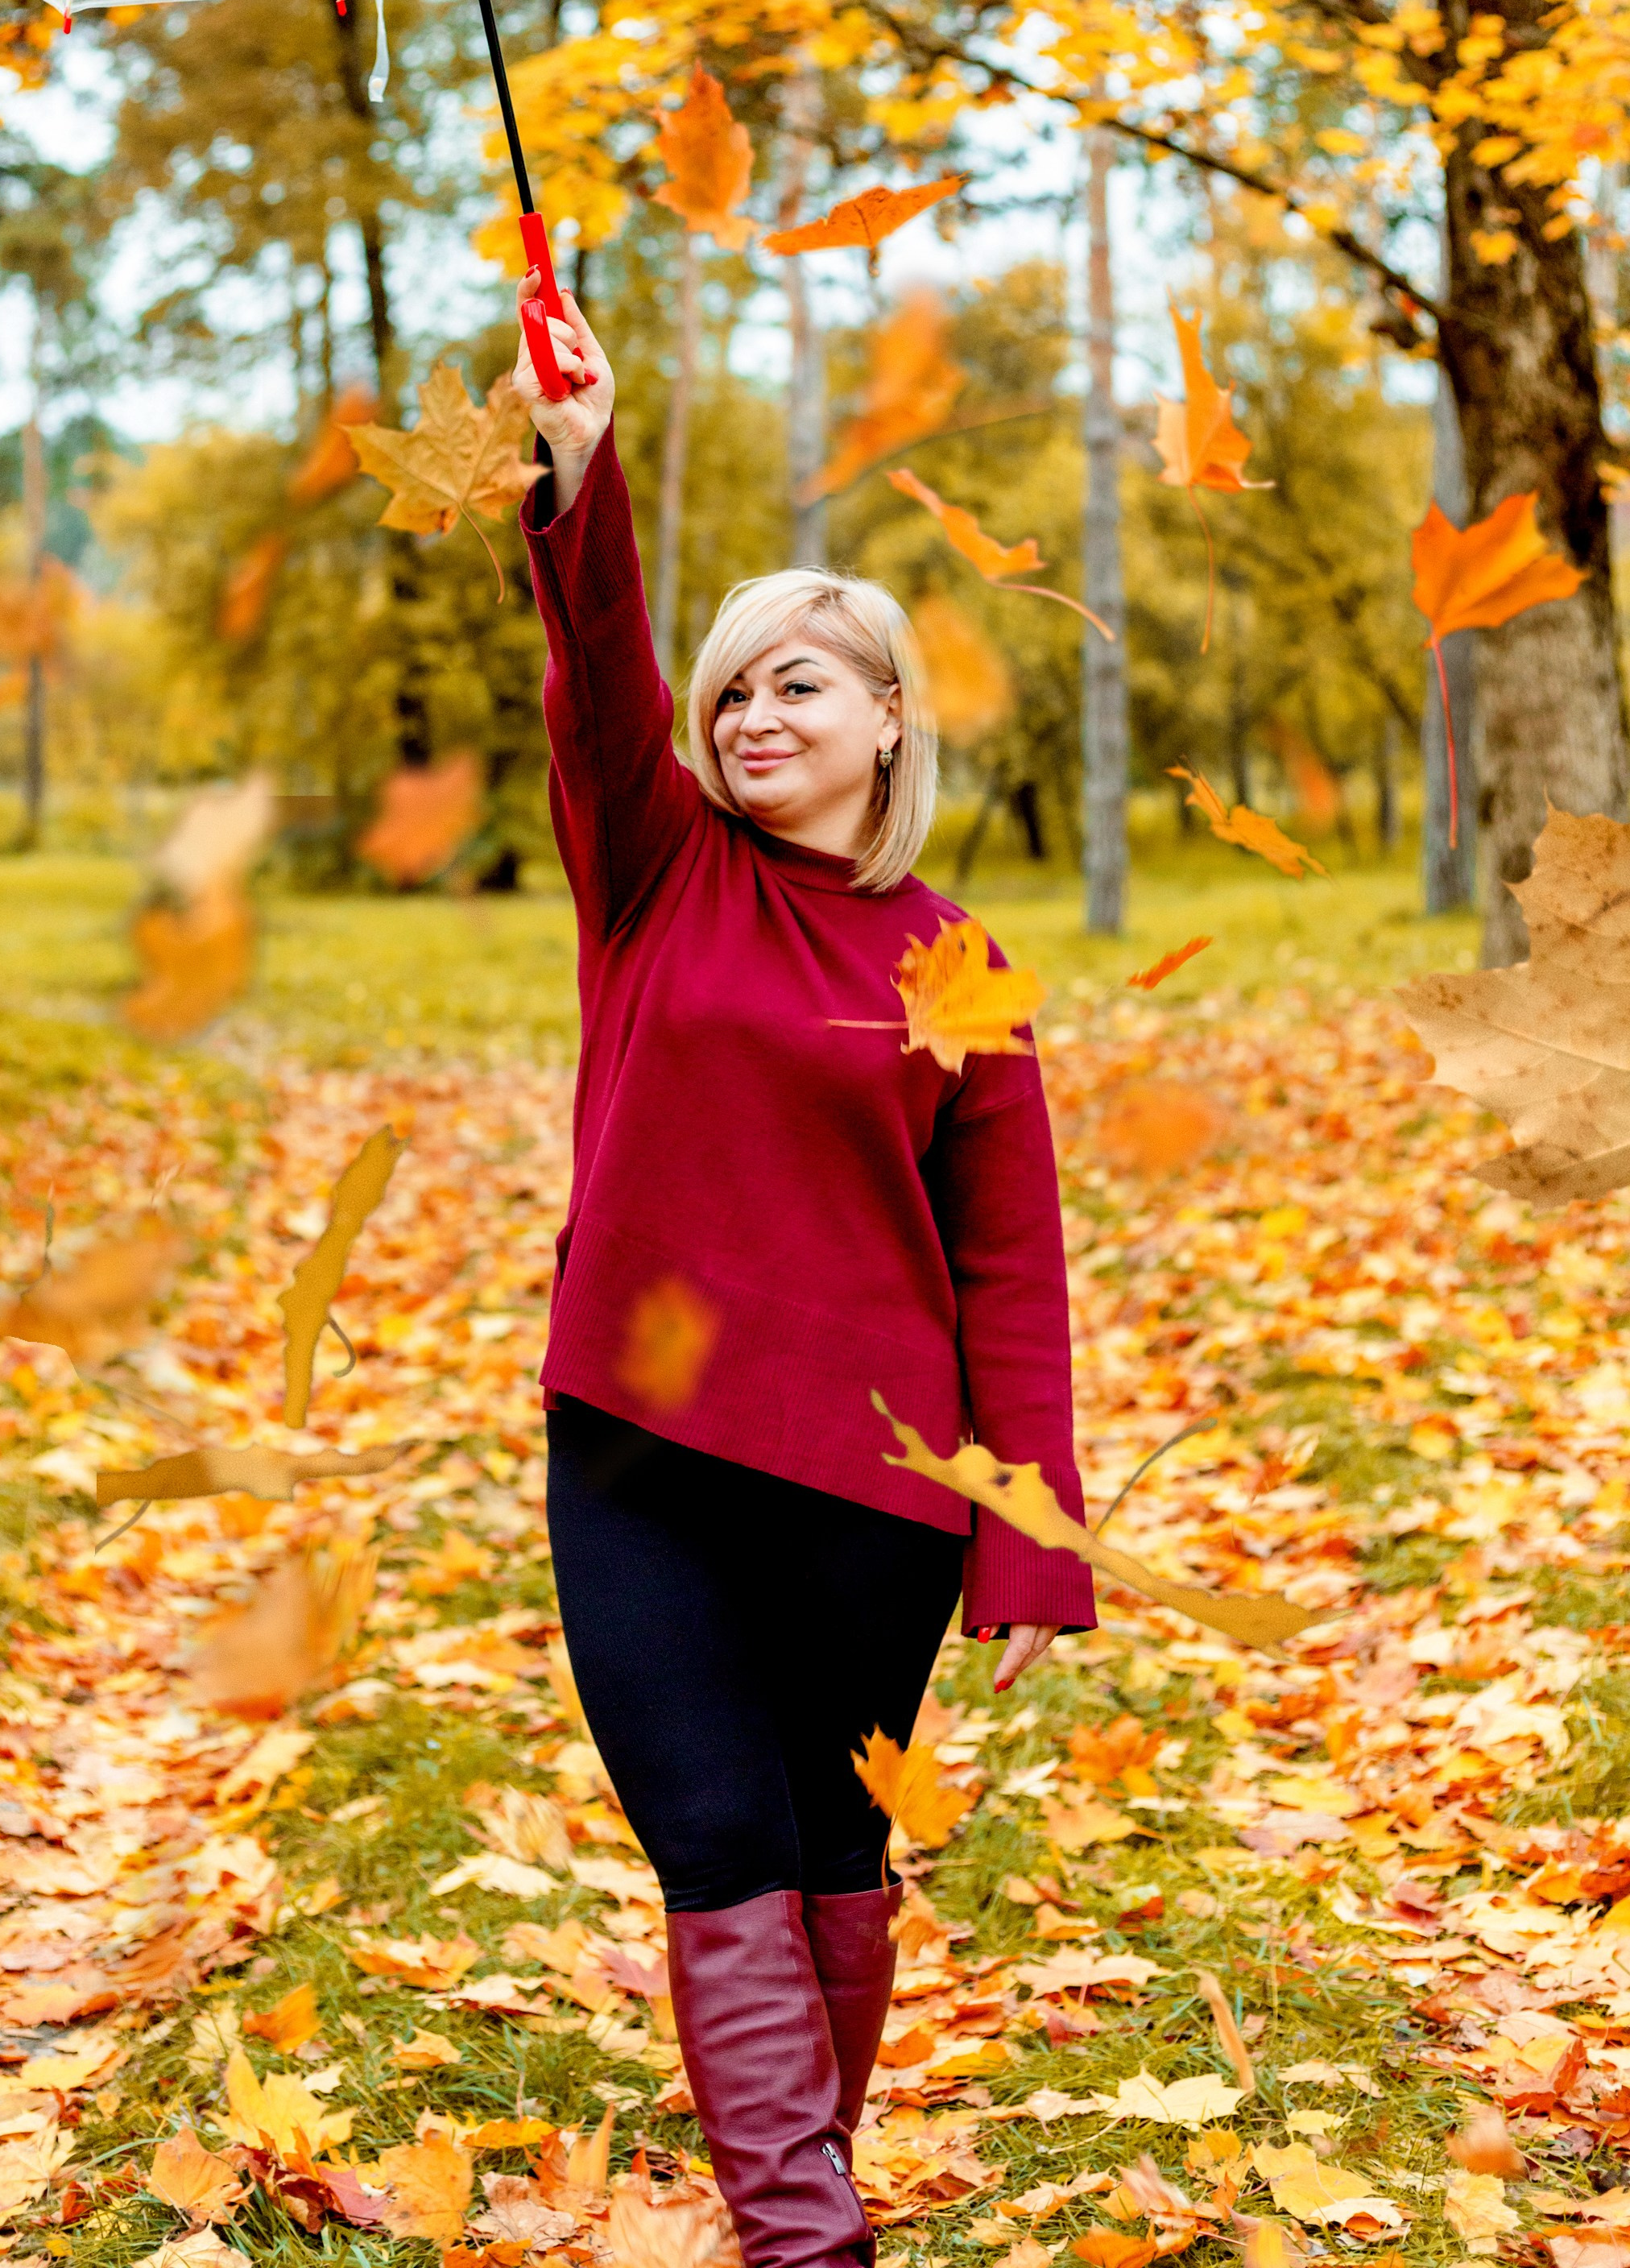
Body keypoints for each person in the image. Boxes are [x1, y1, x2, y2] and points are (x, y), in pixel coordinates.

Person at [509, 276, 1093, 2268]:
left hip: (873, 1491)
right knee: (720, 1838)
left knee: (836, 1859)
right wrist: (580, 466)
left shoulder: (958, 960)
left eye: (800, 689)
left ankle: (799, 2202)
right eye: (737, 687)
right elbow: (597, 667)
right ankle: (809, 2243)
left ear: (889, 725)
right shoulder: (657, 866)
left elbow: (1013, 1266)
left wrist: (1031, 1534)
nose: (753, 716)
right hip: (644, 1451)